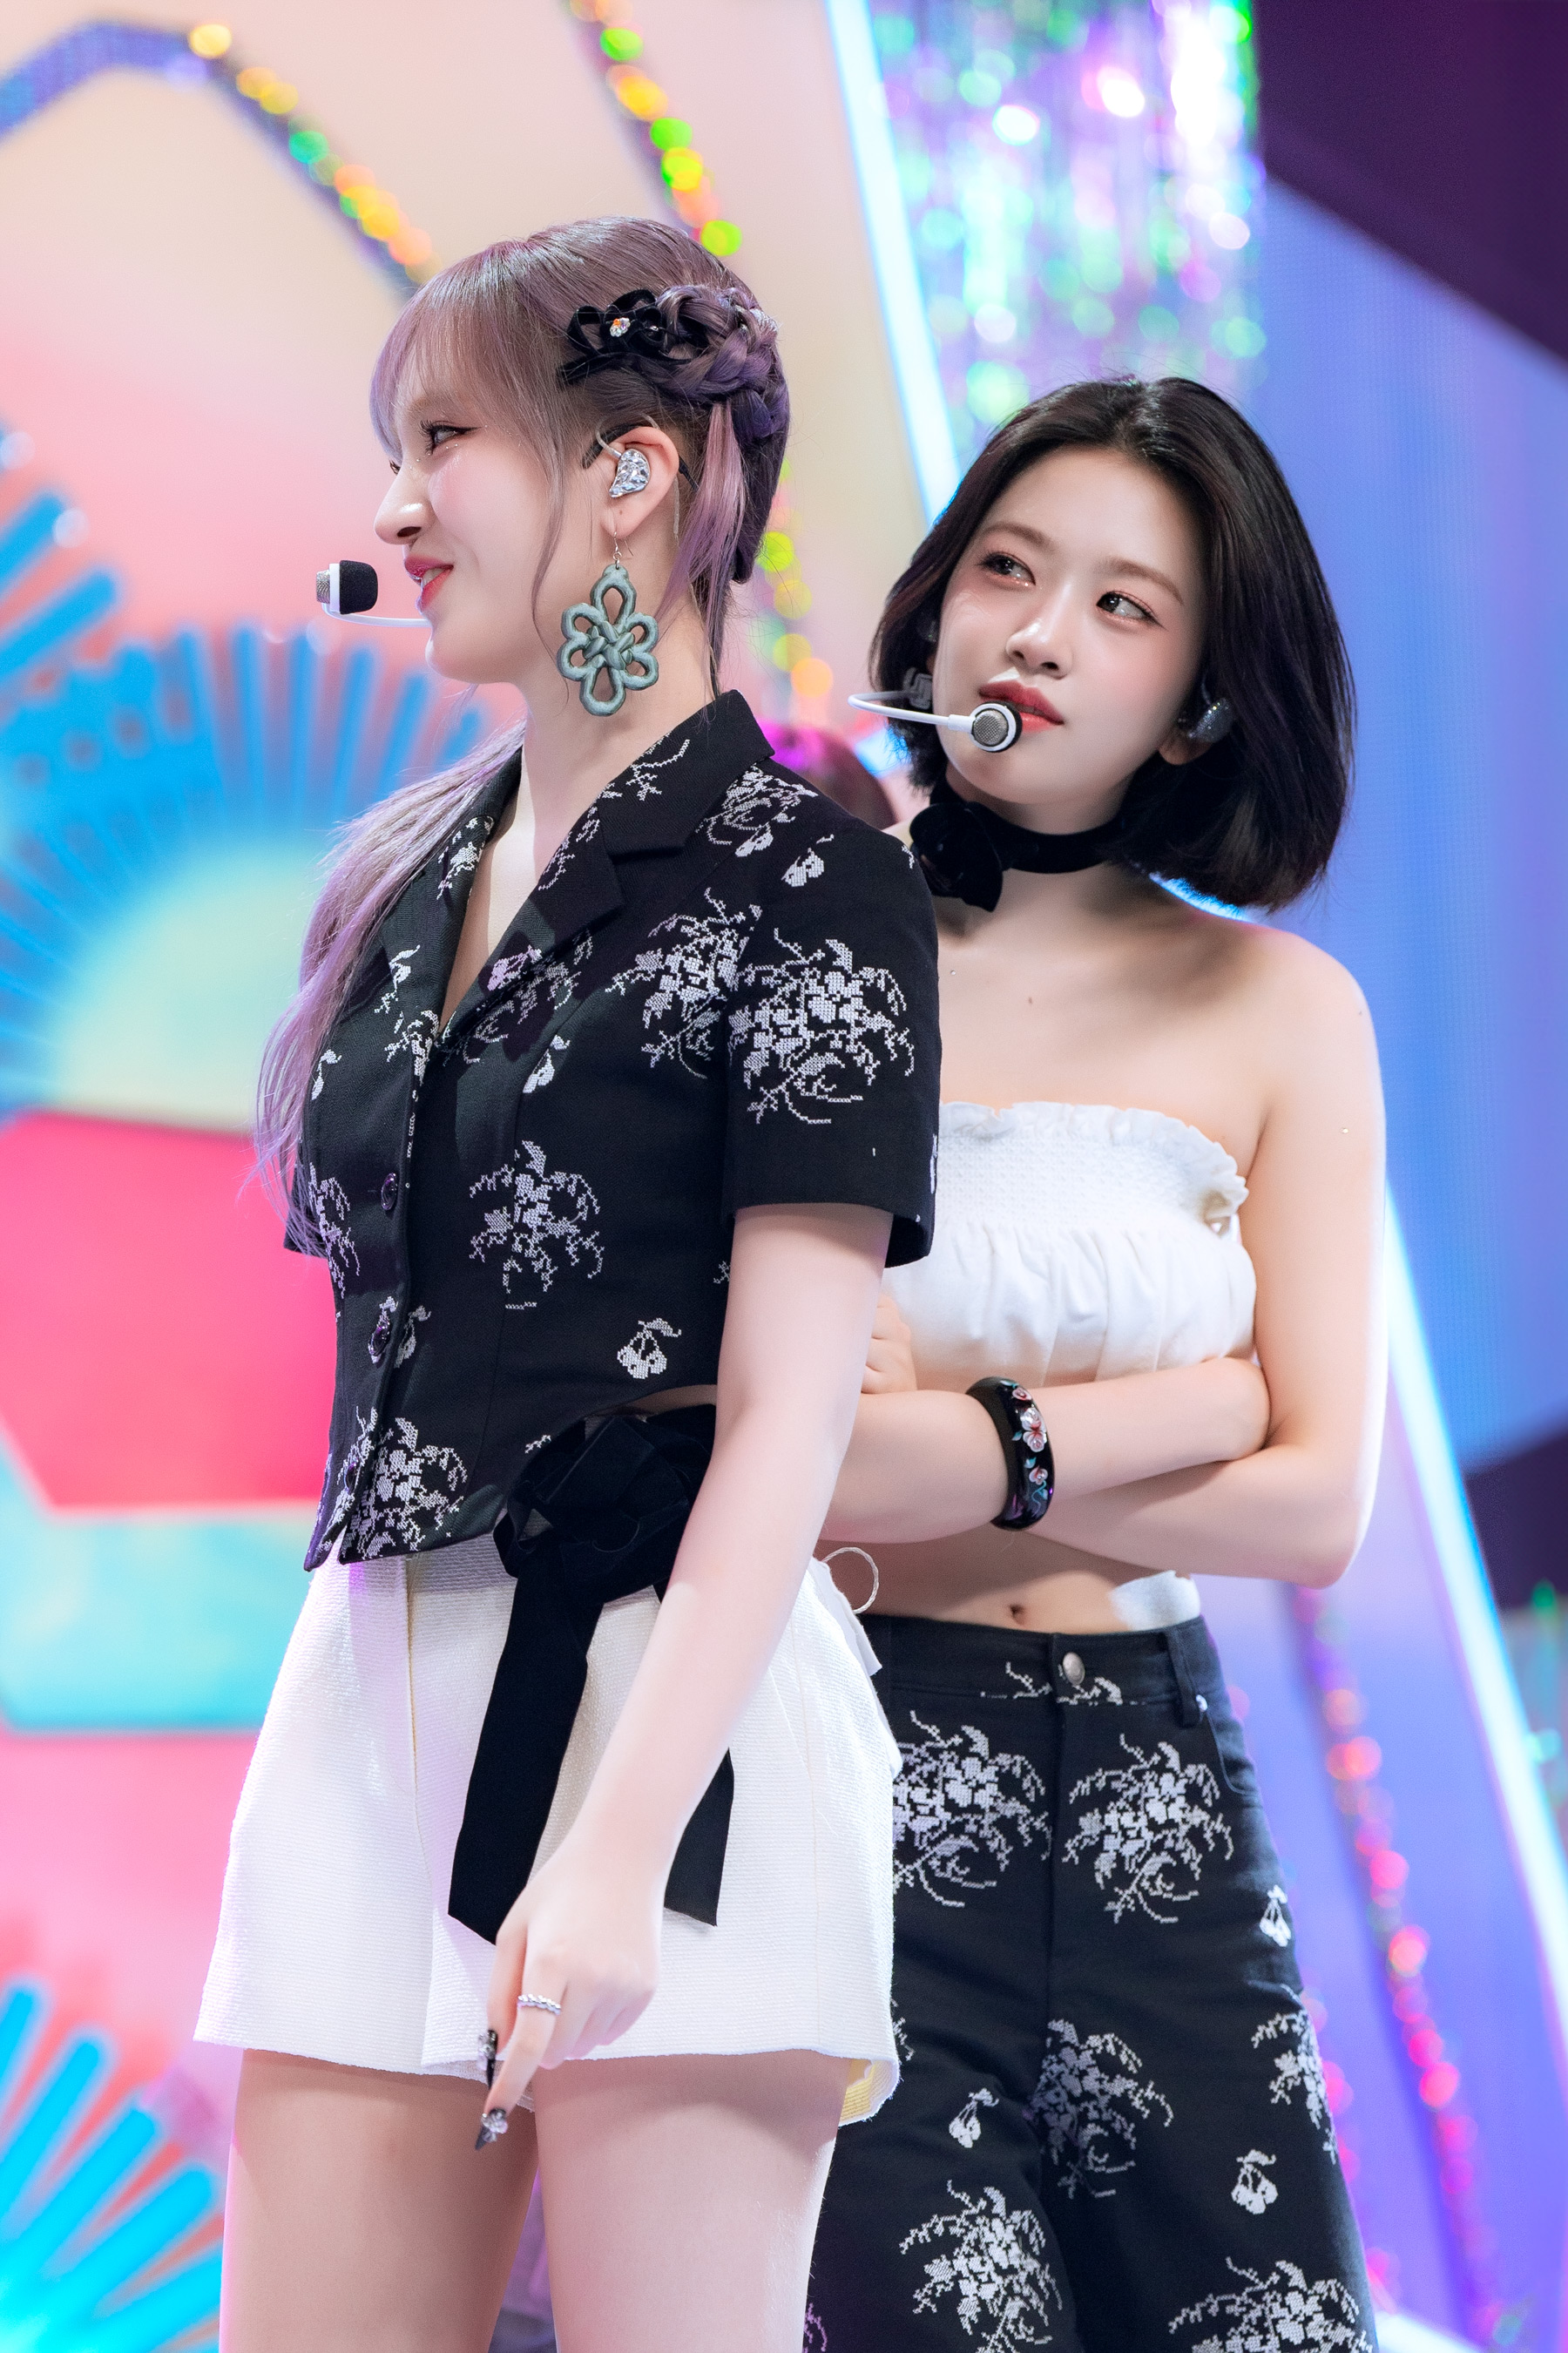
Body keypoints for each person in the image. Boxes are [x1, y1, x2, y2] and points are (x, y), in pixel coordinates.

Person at [193, 218, 942, 2353]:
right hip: (367, 1689)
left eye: (444, 440)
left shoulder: (816, 881)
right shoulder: (399, 870)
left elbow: (789, 1416)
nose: (395, 508)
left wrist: (616, 1847)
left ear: (629, 473)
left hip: (666, 1712)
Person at [808, 378, 1383, 2352]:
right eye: (1007, 568)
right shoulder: (808, 954)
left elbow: (1317, 1507)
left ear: (1203, 702)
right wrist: (1195, 1407)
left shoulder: (1287, 1011)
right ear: (935, 607)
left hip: (1160, 1789)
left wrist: (968, 1441)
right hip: (843, 1767)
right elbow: (806, 1471)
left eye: (1124, 606)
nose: (1040, 633)